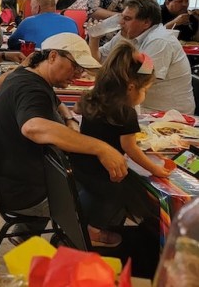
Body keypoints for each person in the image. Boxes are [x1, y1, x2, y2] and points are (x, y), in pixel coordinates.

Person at [0, 33, 128, 243]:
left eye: (81, 69)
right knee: (112, 182)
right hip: (23, 193)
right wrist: (101, 148)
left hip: (4, 179)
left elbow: (53, 99)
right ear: (52, 56)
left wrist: (69, 118)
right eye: (75, 66)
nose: (78, 74)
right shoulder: (31, 89)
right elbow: (33, 127)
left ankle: (28, 232)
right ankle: (73, 239)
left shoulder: (26, 75)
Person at [71, 42, 168, 247]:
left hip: (82, 164)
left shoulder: (92, 97)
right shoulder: (125, 112)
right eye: (145, 90)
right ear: (131, 87)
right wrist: (155, 169)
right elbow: (130, 148)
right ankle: (94, 231)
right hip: (104, 173)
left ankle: (93, 224)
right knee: (126, 191)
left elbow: (78, 110)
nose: (144, 96)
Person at [89, 0, 194, 114]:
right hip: (141, 107)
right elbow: (97, 61)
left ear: (146, 23)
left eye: (127, 19)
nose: (120, 22)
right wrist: (94, 38)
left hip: (167, 113)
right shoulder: (127, 34)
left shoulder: (160, 41)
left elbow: (141, 80)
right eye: (122, 17)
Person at [8, 0, 79, 50]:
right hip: (68, 63)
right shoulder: (72, 22)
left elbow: (11, 43)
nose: (31, 10)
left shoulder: (28, 22)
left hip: (40, 63)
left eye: (32, 7)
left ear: (37, 8)